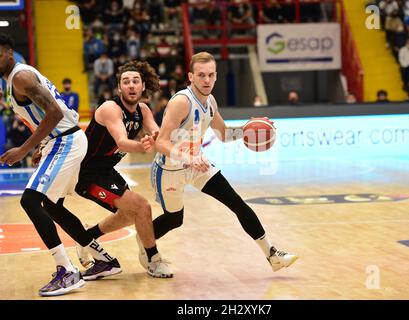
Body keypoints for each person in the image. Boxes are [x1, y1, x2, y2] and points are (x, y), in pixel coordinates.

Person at [149, 52, 298, 274]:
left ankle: (272, 254)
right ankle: (148, 249)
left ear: (216, 76)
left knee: (237, 203)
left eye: (210, 75)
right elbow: (160, 143)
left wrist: (249, 130)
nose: (206, 80)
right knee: (174, 219)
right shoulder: (181, 102)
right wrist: (189, 157)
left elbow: (224, 134)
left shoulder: (210, 102)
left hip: (197, 166)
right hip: (169, 169)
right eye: (201, 75)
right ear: (190, 76)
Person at [0, 33, 118, 296]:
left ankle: (68, 271)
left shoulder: (21, 76)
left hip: (66, 140)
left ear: (9, 53)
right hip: (60, 140)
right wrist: (41, 145)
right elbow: (47, 114)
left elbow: (54, 113)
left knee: (29, 200)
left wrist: (24, 148)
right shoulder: (15, 78)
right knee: (52, 206)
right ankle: (104, 260)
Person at [73, 60, 173, 279]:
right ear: (119, 88)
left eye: (135, 81)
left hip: (106, 170)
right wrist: (141, 146)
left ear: (143, 86)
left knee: (131, 215)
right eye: (126, 82)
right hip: (87, 174)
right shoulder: (111, 108)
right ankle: (153, 260)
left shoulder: (143, 110)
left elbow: (158, 134)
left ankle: (86, 237)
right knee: (143, 208)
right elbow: (121, 141)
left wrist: (171, 144)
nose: (131, 85)